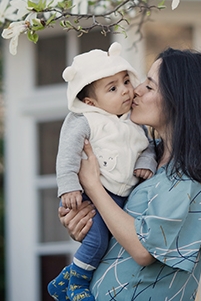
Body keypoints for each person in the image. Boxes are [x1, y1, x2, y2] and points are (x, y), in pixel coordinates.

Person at [59, 48, 201, 301]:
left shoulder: (188, 179)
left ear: (180, 100)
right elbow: (121, 224)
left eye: (149, 86)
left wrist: (92, 185)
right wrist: (85, 222)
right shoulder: (148, 158)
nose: (134, 90)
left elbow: (142, 249)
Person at [48, 42, 157, 301]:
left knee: (109, 243)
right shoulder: (86, 120)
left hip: (120, 197)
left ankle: (67, 276)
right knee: (96, 241)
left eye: (125, 82)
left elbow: (148, 148)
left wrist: (146, 163)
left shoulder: (135, 123)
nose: (126, 91)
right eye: (113, 88)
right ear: (90, 101)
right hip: (94, 196)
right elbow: (67, 153)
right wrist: (69, 186)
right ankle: (76, 284)